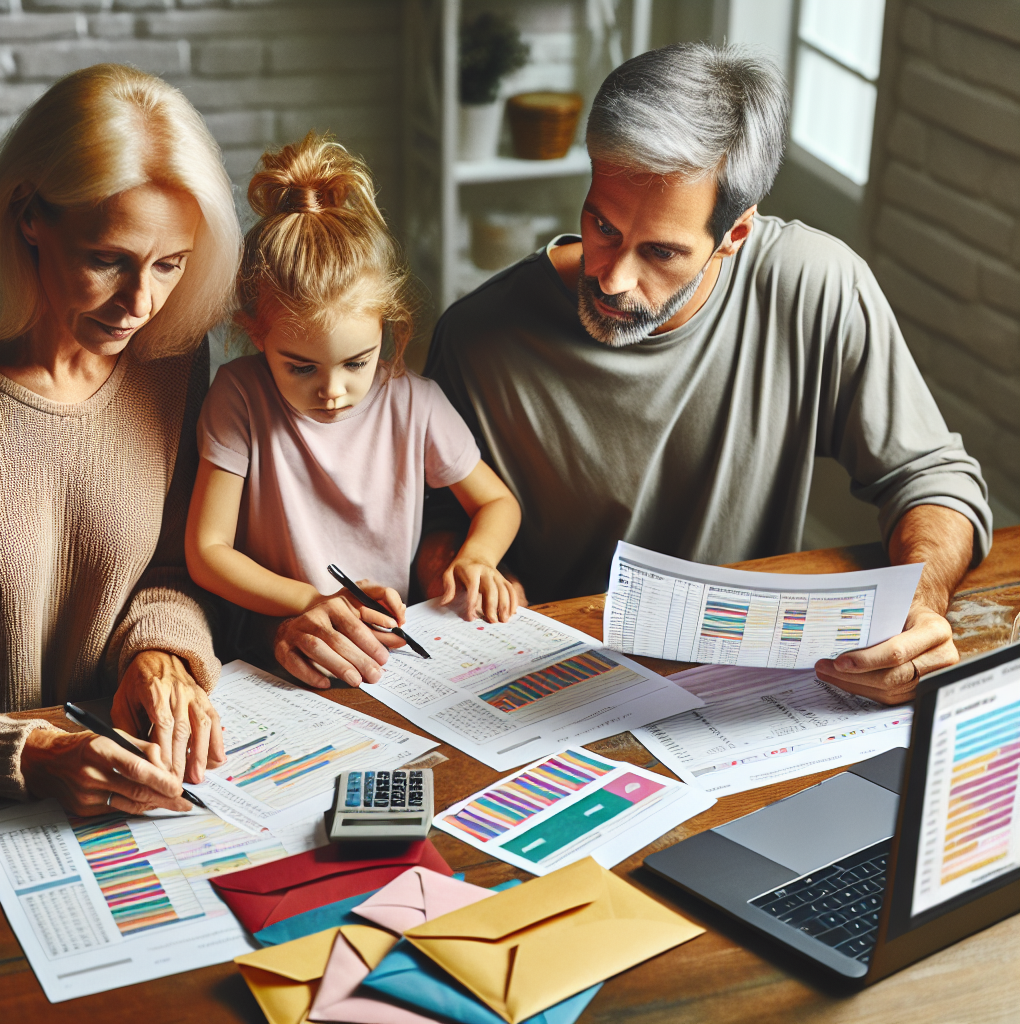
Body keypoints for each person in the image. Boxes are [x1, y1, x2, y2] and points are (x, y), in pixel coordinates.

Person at [417, 44, 993, 706]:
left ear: (735, 234)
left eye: (661, 251)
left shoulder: (814, 286)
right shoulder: (475, 336)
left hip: (745, 694)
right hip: (552, 688)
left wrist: (919, 605)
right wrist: (450, 568)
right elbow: (429, 519)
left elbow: (933, 479)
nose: (613, 276)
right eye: (602, 225)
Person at [185, 133, 521, 691]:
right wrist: (312, 599)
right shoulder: (238, 397)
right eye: (300, 368)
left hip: (388, 654)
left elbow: (496, 501)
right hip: (271, 656)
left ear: (388, 324)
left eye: (357, 362)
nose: (333, 391)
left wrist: (478, 559)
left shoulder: (415, 401)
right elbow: (206, 551)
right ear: (256, 334)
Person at [0, 65, 244, 810]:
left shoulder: (168, 359)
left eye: (170, 264)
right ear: (29, 216)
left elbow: (171, 562)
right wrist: (30, 754)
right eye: (108, 260)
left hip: (119, 793)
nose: (141, 303)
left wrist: (160, 650)